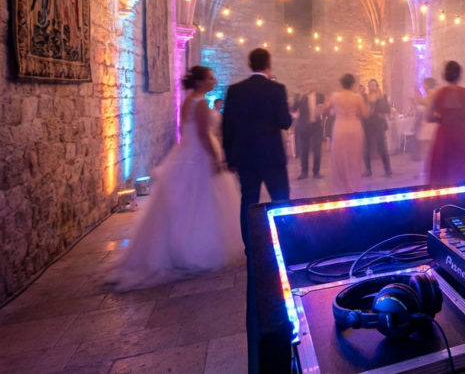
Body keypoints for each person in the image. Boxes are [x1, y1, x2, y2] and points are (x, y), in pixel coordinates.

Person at [112, 66, 242, 290]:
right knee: (204, 201)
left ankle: (175, 247)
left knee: (184, 203)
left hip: (186, 151)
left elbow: (185, 129)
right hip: (200, 153)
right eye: (210, 78)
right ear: (201, 82)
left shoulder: (187, 100)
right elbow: (202, 134)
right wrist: (214, 158)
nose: (214, 81)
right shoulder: (200, 102)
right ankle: (199, 249)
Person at [222, 48, 292, 254]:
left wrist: (230, 158)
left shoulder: (235, 90)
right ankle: (284, 240)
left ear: (250, 64)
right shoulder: (277, 89)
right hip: (272, 156)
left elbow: (227, 126)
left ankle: (250, 246)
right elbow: (284, 122)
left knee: (249, 201)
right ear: (268, 65)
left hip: (245, 156)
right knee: (280, 198)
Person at [427, 61, 465, 185]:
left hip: (444, 135)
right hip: (461, 134)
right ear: (459, 76)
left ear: (445, 75)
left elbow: (428, 117)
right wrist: (461, 115)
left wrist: (442, 117)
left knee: (442, 171)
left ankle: (442, 201)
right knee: (462, 170)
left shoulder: (436, 94)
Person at [327, 73, 368, 193]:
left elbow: (325, 108)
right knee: (354, 156)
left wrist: (334, 109)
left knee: (340, 156)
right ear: (353, 84)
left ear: (341, 83)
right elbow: (365, 114)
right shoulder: (358, 97)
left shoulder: (334, 96)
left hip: (340, 127)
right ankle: (353, 184)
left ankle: (343, 184)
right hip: (354, 127)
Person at [291, 79, 325, 179]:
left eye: (311, 84)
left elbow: (322, 109)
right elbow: (293, 109)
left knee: (317, 150)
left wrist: (321, 110)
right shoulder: (299, 97)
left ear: (314, 85)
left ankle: (316, 172)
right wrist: (299, 98)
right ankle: (304, 172)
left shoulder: (320, 96)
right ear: (303, 86)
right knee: (304, 149)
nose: (309, 86)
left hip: (316, 126)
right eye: (306, 85)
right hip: (304, 126)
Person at [361, 79, 393, 177]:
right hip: (368, 125)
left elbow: (388, 109)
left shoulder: (382, 97)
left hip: (379, 124)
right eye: (370, 85)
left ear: (376, 86)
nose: (372, 86)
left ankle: (387, 169)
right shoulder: (365, 97)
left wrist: (383, 114)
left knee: (382, 147)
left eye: (373, 85)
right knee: (367, 148)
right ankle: (368, 170)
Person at [414, 77, 439, 179]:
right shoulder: (430, 95)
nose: (423, 86)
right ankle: (426, 170)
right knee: (426, 150)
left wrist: (418, 97)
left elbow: (426, 104)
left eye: (424, 84)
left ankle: (429, 171)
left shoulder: (432, 94)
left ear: (428, 85)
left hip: (430, 124)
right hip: (427, 123)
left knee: (428, 150)